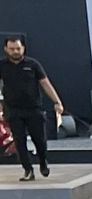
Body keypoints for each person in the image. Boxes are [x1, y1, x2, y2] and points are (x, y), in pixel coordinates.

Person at [1, 34, 63, 181]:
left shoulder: (33, 65)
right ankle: (28, 169)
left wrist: (57, 102)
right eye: (12, 49)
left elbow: (45, 83)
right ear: (6, 49)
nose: (15, 51)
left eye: (18, 48)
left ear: (23, 48)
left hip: (34, 109)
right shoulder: (2, 66)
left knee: (39, 140)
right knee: (19, 141)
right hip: (13, 110)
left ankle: (42, 161)